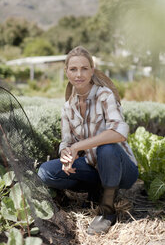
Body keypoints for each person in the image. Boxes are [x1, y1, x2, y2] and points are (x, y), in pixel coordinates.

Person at [38, 46, 138, 235]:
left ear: (92, 70)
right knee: (45, 172)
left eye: (84, 68)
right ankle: (97, 189)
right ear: (66, 71)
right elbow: (66, 142)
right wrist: (66, 154)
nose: (79, 74)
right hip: (93, 167)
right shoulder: (68, 108)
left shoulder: (104, 96)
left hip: (123, 169)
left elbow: (119, 132)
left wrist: (78, 146)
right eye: (73, 69)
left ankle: (108, 210)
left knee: (106, 147)